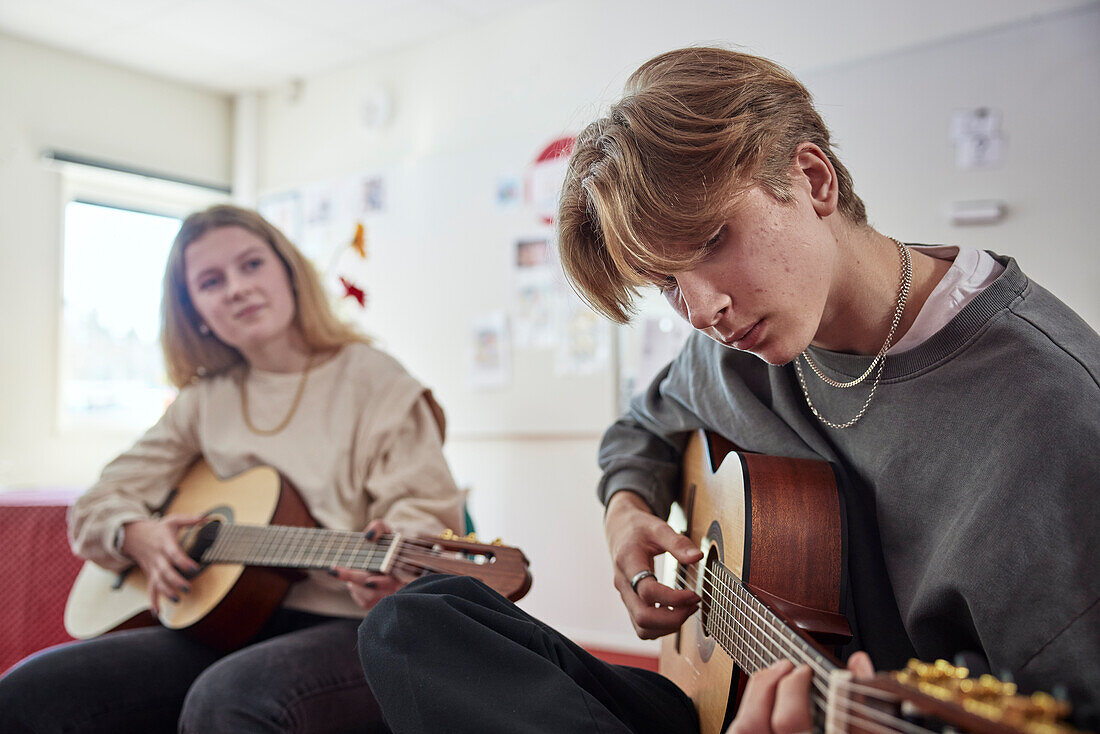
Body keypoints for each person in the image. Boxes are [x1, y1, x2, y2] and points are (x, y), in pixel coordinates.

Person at [357, 47, 1100, 733]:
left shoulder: (1051, 415)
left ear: (812, 179)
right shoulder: (738, 354)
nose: (704, 310)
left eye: (713, 240)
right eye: (666, 284)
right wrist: (626, 512)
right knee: (415, 622)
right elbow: (639, 431)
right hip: (733, 702)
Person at [0, 204, 466, 733]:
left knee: (228, 700)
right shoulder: (202, 401)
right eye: (211, 281)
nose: (237, 288)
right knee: (26, 693)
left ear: (288, 273)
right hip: (225, 623)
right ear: (195, 310)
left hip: (352, 626)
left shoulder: (377, 382)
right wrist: (137, 535)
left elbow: (426, 519)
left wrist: (391, 562)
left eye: (251, 265)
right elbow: (96, 505)